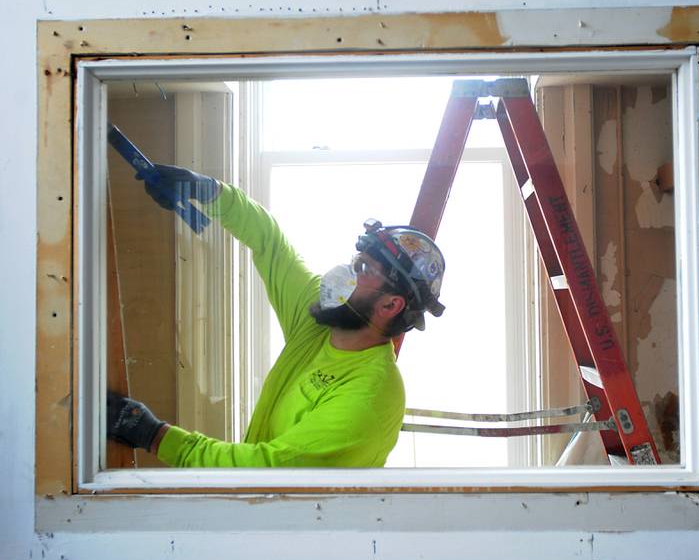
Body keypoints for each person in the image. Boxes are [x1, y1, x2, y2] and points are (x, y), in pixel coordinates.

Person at [106, 164, 445, 468]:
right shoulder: (318, 324)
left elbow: (268, 469)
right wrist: (210, 191)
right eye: (355, 260)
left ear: (390, 306)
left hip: (292, 532)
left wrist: (155, 436)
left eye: (364, 269)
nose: (346, 271)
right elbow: (270, 241)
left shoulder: (370, 396)